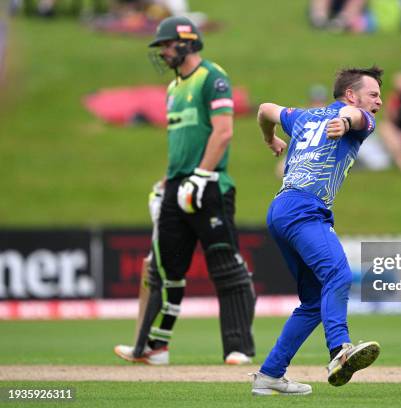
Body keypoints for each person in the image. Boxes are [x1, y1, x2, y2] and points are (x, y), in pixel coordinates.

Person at [114, 16, 256, 366]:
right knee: (164, 269)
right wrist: (167, 183)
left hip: (209, 185)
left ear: (187, 42)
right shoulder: (173, 88)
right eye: (160, 47)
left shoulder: (212, 77)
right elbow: (179, 143)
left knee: (224, 266)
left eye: (166, 45)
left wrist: (200, 176)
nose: (162, 52)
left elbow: (223, 133)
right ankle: (154, 346)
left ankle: (238, 348)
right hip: (178, 186)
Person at [251, 66, 384, 396]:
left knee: (313, 301)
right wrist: (348, 121)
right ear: (351, 95)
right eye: (374, 94)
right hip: (304, 209)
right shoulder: (359, 118)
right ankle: (339, 349)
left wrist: (269, 138)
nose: (379, 101)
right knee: (338, 274)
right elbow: (359, 119)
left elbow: (265, 109)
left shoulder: (303, 118)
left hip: (281, 209)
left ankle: (270, 375)